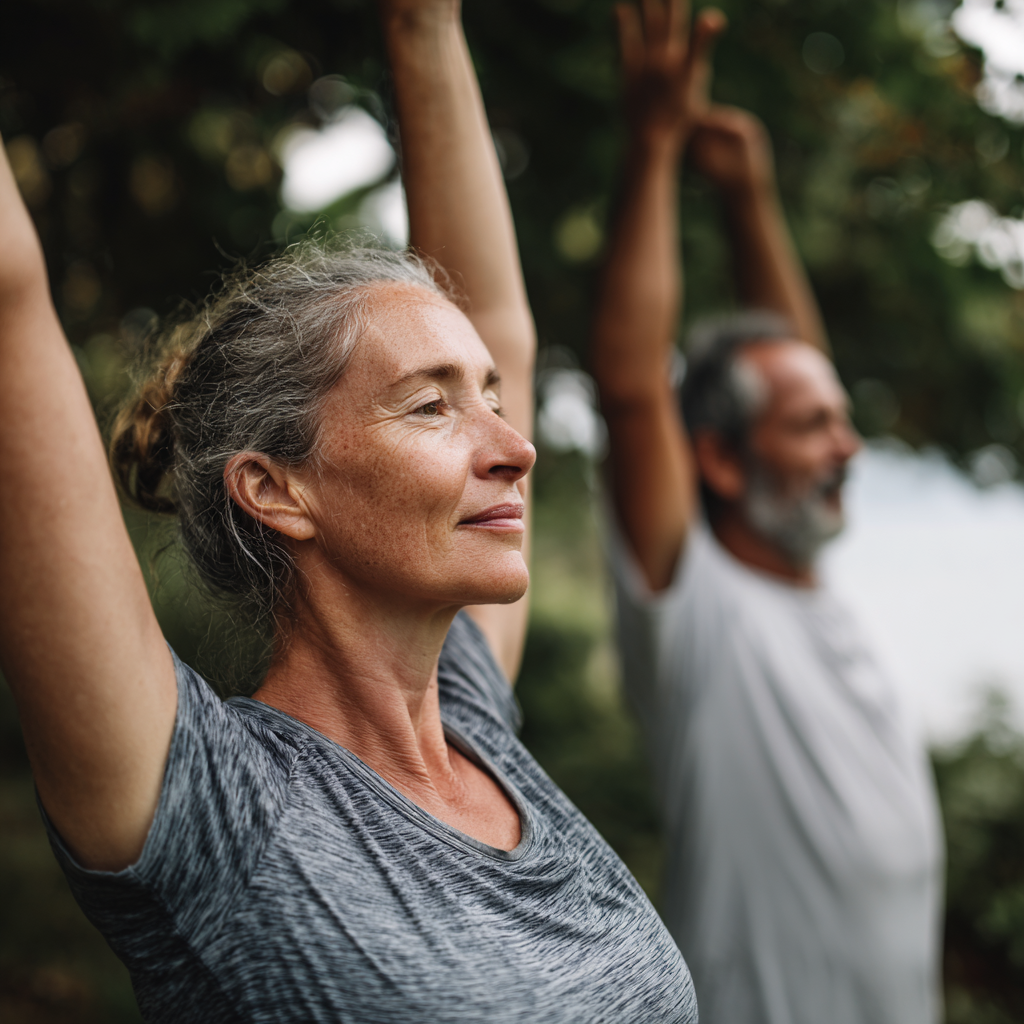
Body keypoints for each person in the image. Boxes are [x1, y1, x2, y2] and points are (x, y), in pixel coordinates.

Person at [0, 1, 699, 1021]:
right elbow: (11, 304)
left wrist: (423, 25)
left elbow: (496, 312)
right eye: (431, 405)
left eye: (494, 397)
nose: (515, 449)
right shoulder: (211, 809)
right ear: (277, 489)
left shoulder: (475, 724)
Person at [590, 2, 944, 1022]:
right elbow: (626, 385)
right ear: (719, 460)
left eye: (843, 420)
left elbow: (795, 373)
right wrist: (652, 145)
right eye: (814, 429)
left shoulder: (816, 588)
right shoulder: (692, 603)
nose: (849, 446)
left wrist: (751, 203)